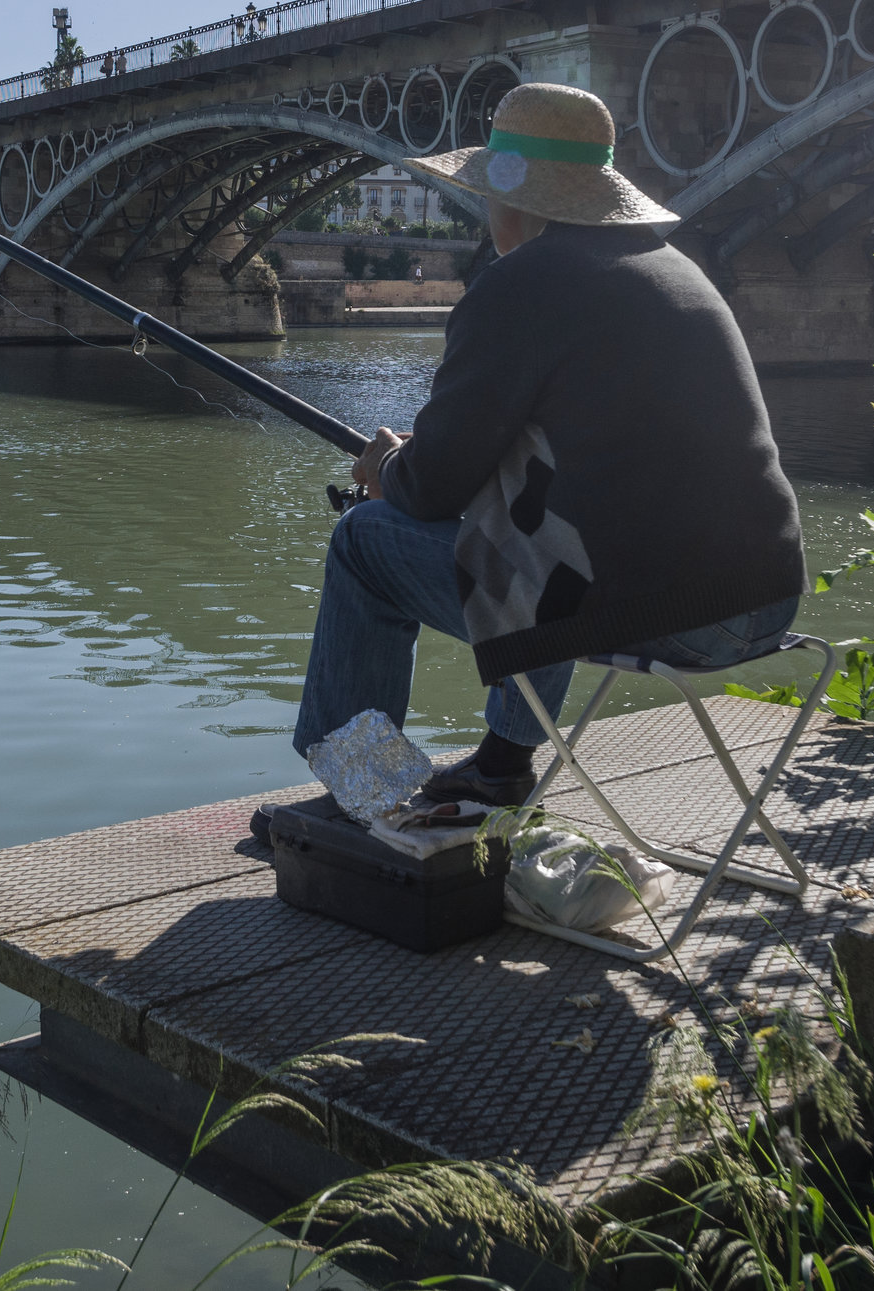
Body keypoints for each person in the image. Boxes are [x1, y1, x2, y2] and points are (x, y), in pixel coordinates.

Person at [291, 82, 805, 811]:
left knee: (364, 541)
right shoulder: (671, 267)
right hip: (765, 598)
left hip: (674, 613)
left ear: (517, 199)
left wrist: (388, 466)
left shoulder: (518, 287)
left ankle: (362, 791)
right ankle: (501, 760)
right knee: (546, 515)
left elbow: (432, 487)